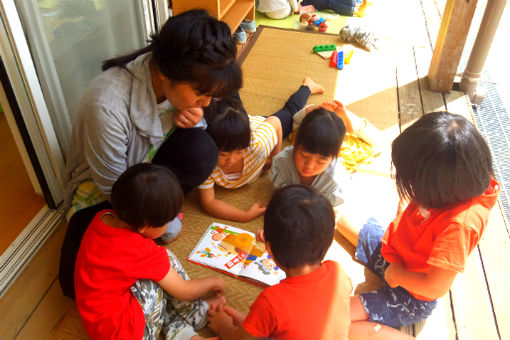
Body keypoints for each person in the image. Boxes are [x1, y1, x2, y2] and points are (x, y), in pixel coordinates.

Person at [59, 9, 242, 299]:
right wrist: (166, 225)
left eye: (210, 96)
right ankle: (156, 218)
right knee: (74, 283)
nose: (206, 102)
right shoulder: (106, 105)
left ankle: (156, 215)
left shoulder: (177, 81)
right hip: (107, 188)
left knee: (202, 150)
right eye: (201, 94)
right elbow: (113, 188)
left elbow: (196, 125)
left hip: (144, 166)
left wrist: (194, 118)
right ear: (165, 73)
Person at [335, 111, 501, 339]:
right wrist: (405, 210)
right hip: (400, 252)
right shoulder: (456, 182)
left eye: (415, 183)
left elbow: (435, 287)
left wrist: (399, 276)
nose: (411, 188)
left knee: (339, 322)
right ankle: (334, 213)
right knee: (352, 227)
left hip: (412, 293)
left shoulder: (460, 226)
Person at [74, 163, 226, 340]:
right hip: (127, 333)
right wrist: (212, 281)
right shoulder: (140, 251)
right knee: (164, 262)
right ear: (145, 226)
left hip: (99, 325)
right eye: (168, 221)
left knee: (154, 277)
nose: (171, 224)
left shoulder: (102, 218)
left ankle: (182, 334)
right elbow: (183, 291)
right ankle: (196, 314)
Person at [207, 184, 352, 339]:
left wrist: (223, 326)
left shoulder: (271, 301)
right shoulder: (337, 271)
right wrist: (252, 322)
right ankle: (255, 324)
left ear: (269, 249)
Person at [198, 78, 325, 222]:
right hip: (235, 129)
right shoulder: (206, 163)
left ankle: (307, 87)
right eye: (223, 154)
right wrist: (244, 216)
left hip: (257, 126)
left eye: (240, 152)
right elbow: (209, 202)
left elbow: (275, 122)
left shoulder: (257, 145)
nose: (232, 160)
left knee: (290, 114)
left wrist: (274, 157)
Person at [270, 99, 379, 212]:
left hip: (340, 143)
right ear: (295, 142)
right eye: (304, 155)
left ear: (334, 156)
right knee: (298, 120)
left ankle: (350, 119)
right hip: (315, 133)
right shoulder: (282, 161)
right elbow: (280, 192)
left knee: (373, 142)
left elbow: (325, 210)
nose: (309, 166)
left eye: (321, 161)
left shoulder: (336, 179)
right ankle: (317, 110)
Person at [301, 0, 370, 17]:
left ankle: (356, 5)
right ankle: (356, 12)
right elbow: (296, 7)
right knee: (329, 2)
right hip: (305, 5)